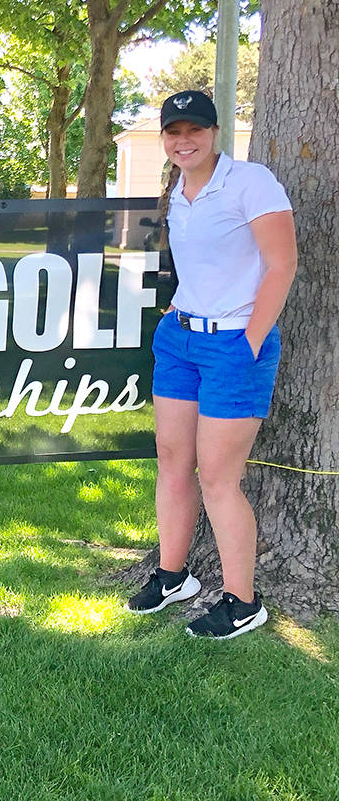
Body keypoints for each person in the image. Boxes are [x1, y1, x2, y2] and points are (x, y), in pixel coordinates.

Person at [126, 90, 297, 639]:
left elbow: (282, 264)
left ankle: (244, 602)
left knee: (220, 479)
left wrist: (250, 338)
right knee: (172, 463)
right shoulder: (176, 188)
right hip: (179, 342)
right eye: (173, 133)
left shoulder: (251, 182)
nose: (184, 141)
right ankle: (173, 576)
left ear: (215, 131)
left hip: (234, 349)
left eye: (194, 130)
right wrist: (181, 308)